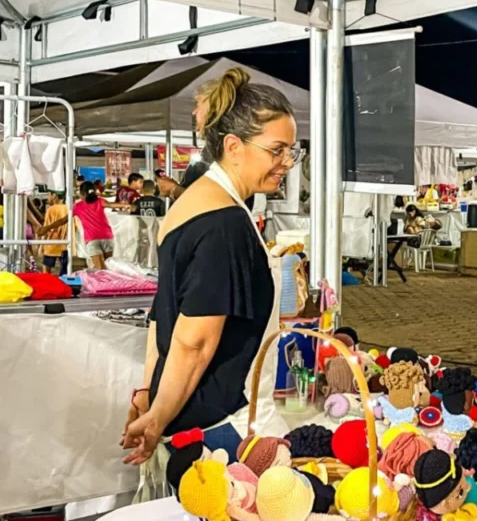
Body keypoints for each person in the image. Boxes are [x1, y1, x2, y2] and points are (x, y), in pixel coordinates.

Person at [121, 68, 300, 466]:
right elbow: (193, 341)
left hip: (193, 413)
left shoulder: (192, 203)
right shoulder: (225, 225)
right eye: (277, 150)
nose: (286, 162)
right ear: (234, 146)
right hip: (222, 429)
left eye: (292, 150)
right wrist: (158, 417)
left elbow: (160, 314)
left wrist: (152, 394)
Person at [38, 181, 130, 270]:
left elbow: (63, 221)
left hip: (92, 239)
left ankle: (105, 284)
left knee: (101, 270)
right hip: (107, 237)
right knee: (108, 267)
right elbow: (110, 205)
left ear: (81, 194)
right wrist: (124, 205)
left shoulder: (78, 206)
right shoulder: (100, 201)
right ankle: (112, 284)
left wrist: (47, 228)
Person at [38, 191, 69, 274]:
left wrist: (41, 246)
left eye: (49, 195)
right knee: (65, 272)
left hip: (52, 243)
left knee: (46, 270)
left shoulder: (51, 209)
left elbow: (46, 229)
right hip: (65, 244)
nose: (47, 197)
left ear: (54, 195)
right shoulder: (69, 209)